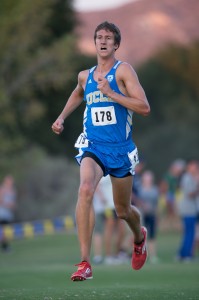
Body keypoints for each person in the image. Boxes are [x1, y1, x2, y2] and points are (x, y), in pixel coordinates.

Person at [52, 21, 150, 281]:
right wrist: (61, 117)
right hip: (93, 145)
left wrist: (112, 93)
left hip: (121, 150)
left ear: (116, 44)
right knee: (85, 190)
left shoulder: (123, 71)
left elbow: (143, 107)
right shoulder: (85, 75)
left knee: (122, 211)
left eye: (108, 37)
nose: (103, 41)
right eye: (99, 37)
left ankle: (139, 238)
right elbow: (77, 93)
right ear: (94, 42)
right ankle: (85, 262)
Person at [177, 160, 199, 261]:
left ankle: (182, 253)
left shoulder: (190, 177)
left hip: (190, 209)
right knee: (190, 233)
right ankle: (186, 255)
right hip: (188, 209)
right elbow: (190, 194)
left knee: (189, 232)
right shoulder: (187, 178)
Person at [138, 171, 159, 263]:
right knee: (141, 236)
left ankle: (153, 255)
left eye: (149, 178)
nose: (148, 180)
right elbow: (137, 201)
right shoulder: (140, 189)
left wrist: (157, 213)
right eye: (146, 178)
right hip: (142, 215)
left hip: (152, 214)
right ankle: (140, 255)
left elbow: (157, 203)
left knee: (152, 235)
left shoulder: (155, 189)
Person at [0, 175, 16, 252]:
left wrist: (12, 206)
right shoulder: (2, 189)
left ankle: (5, 246)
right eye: (9, 180)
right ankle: (5, 247)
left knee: (6, 230)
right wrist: (7, 204)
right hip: (2, 212)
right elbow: (1, 200)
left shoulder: (12, 190)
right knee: (3, 230)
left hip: (8, 213)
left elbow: (12, 202)